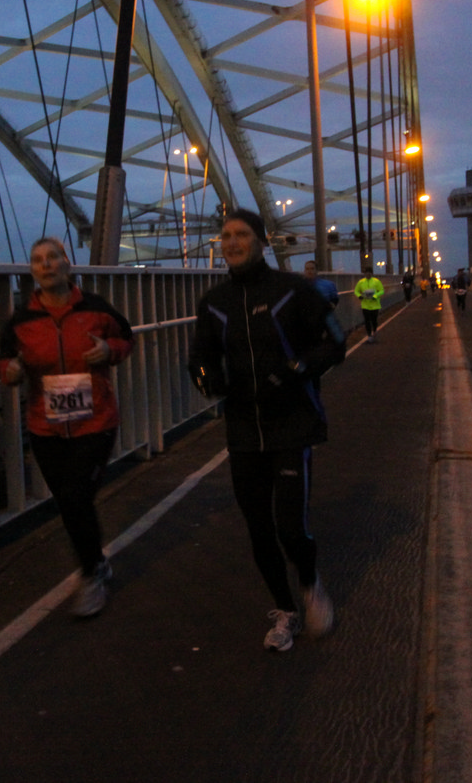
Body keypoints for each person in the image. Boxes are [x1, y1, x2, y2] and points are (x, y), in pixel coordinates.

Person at [189, 210, 347, 652]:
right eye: (225, 236)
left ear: (262, 241)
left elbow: (335, 342)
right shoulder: (214, 301)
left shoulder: (295, 290)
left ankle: (310, 584)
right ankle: (285, 609)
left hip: (292, 423)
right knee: (259, 529)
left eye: (241, 234)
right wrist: (206, 379)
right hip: (243, 429)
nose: (232, 242)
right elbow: (199, 357)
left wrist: (296, 369)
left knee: (290, 527)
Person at [0, 237, 134, 617]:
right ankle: (97, 562)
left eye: (53, 257)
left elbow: (126, 338)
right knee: (70, 502)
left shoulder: (95, 308)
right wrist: (10, 373)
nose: (46, 265)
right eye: (38, 260)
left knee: (75, 497)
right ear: (32, 270)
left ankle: (90, 576)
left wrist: (109, 351)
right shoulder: (21, 320)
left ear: (67, 264)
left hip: (95, 421)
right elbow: (5, 361)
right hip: (47, 428)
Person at [354, 265, 385, 342]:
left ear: (372, 273)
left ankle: (374, 331)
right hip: (365, 305)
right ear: (364, 274)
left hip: (375, 305)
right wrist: (359, 296)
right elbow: (356, 291)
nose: (368, 274)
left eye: (369, 273)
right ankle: (369, 335)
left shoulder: (376, 281)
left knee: (374, 321)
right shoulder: (361, 282)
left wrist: (375, 296)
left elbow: (381, 290)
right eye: (366, 273)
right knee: (367, 321)